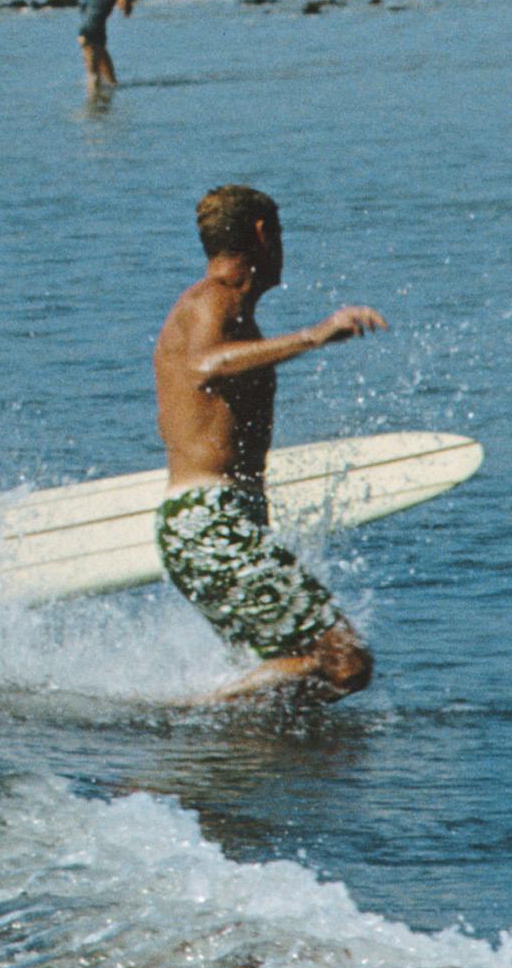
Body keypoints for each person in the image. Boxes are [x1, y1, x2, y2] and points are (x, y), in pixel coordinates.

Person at [152, 183, 385, 702]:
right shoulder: (211, 300)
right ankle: (191, 715)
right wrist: (314, 335)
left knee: (307, 687)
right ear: (262, 236)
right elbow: (204, 365)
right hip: (208, 523)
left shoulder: (221, 309)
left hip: (208, 526)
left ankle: (220, 730)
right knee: (346, 662)